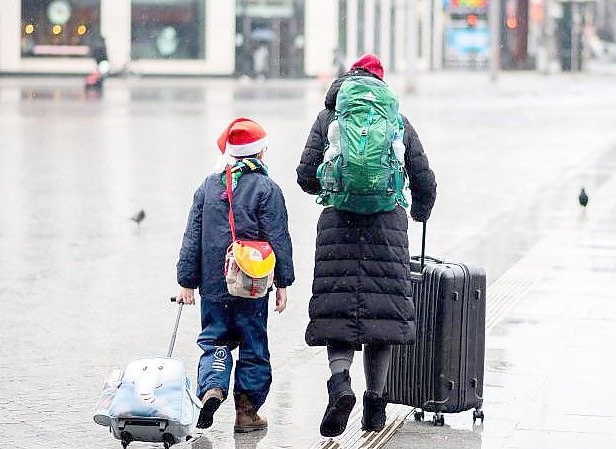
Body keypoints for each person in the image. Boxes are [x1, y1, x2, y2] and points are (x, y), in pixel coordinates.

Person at [296, 54, 437, 436]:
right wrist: (420, 210)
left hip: (338, 226)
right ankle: (375, 405)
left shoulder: (330, 118)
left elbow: (305, 175)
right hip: (387, 228)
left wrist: (328, 186)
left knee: (338, 311)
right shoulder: (396, 121)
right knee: (381, 317)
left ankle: (341, 384)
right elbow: (425, 178)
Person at [176, 118, 294, 433]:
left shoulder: (209, 185)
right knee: (253, 344)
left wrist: (187, 281)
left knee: (215, 340)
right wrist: (283, 283)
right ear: (259, 153)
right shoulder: (267, 188)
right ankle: (246, 413)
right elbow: (278, 238)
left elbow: (192, 236)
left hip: (214, 285)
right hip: (252, 283)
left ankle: (213, 386)